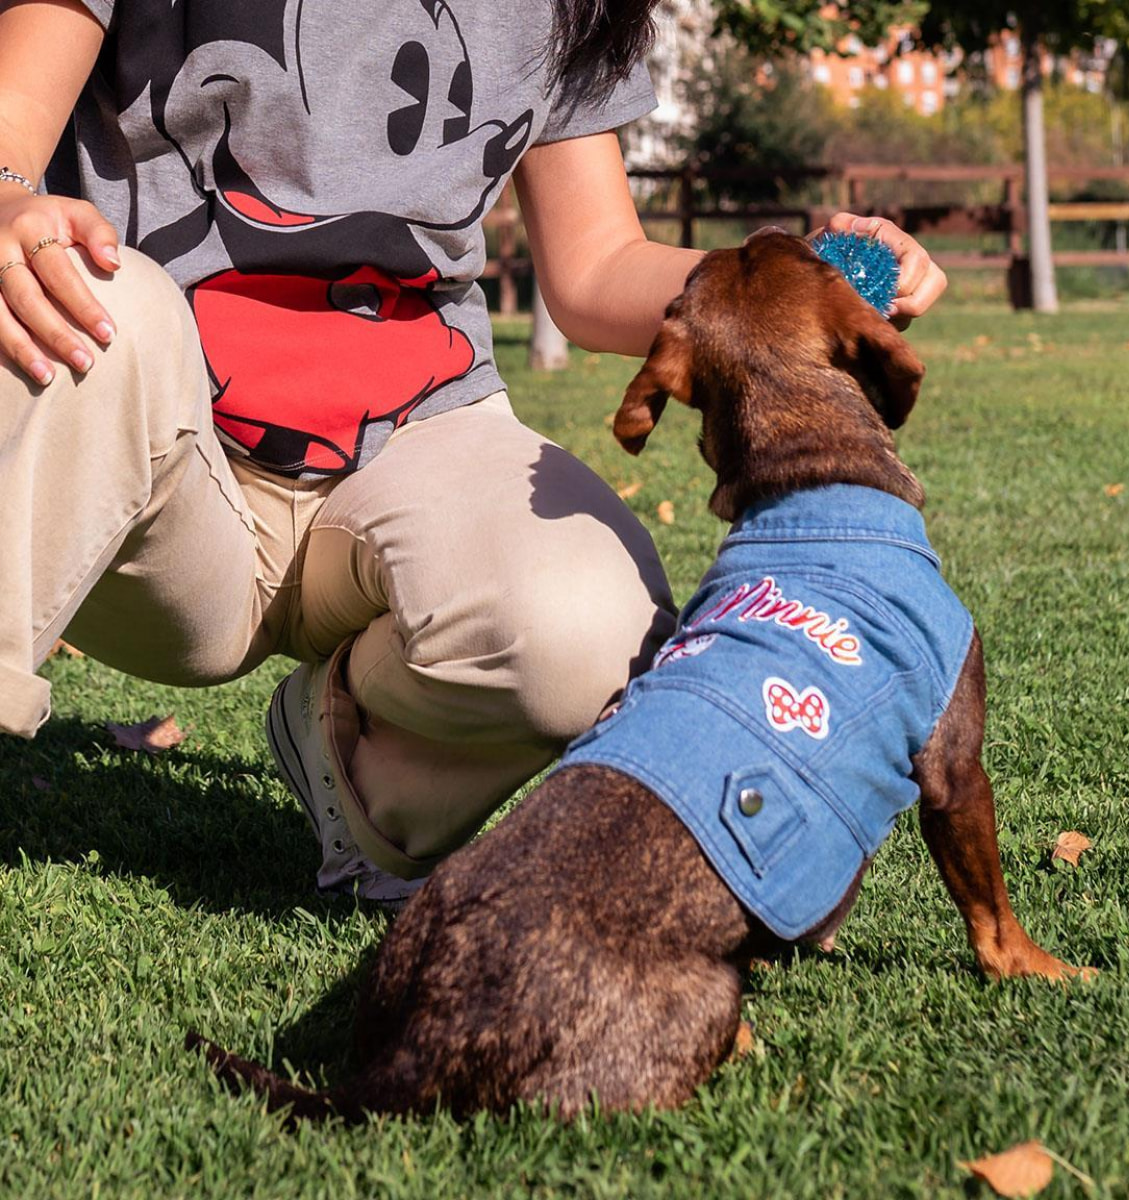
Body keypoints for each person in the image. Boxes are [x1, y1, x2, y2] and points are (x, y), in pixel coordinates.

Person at [0, 0, 946, 902]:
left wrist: (793, 282)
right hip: (157, 472)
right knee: (68, 290)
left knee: (596, 636)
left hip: (410, 443)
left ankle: (359, 754)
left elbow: (595, 266)